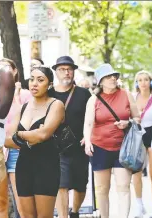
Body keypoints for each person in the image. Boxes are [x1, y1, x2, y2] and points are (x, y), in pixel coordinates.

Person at [5, 66, 65, 218]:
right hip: (23, 166)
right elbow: (7, 140)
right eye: (31, 79)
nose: (34, 83)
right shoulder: (24, 107)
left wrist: (20, 135)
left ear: (50, 84)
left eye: (40, 80)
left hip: (46, 166)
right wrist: (32, 136)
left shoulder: (56, 105)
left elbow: (43, 135)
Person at [83, 64, 140, 218]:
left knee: (124, 186)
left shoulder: (126, 94)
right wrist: (88, 142)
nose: (113, 78)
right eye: (109, 76)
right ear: (101, 81)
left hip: (123, 147)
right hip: (99, 147)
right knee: (102, 188)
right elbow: (88, 123)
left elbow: (137, 117)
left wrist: (128, 123)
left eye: (114, 75)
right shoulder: (93, 99)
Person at [49, 56, 91, 218]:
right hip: (57, 148)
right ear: (56, 72)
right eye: (62, 69)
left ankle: (75, 212)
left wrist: (89, 136)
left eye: (69, 69)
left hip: (79, 146)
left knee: (81, 185)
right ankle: (63, 216)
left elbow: (92, 118)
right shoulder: (49, 94)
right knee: (62, 185)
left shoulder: (83, 93)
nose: (66, 73)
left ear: (73, 72)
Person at [132, 71, 152, 218]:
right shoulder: (132, 98)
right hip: (137, 136)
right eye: (140, 80)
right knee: (136, 172)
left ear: (151, 82)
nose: (143, 83)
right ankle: (139, 205)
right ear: (136, 83)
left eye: (146, 80)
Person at [0, 58, 30, 218]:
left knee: (22, 197)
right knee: (0, 199)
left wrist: (17, 95)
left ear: (15, 71)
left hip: (17, 148)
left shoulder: (25, 95)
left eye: (7, 68)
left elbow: (27, 121)